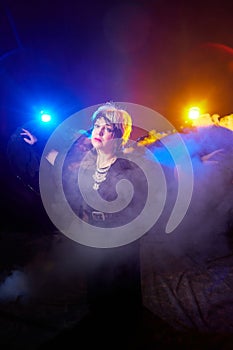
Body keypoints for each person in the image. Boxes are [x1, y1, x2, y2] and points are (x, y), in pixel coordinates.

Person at [21, 102, 149, 347]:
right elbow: (58, 163)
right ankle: (99, 327)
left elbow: (139, 206)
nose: (98, 132)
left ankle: (127, 333)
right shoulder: (86, 163)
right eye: (97, 126)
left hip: (120, 239)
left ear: (119, 135)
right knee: (97, 288)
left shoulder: (128, 167)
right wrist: (37, 146)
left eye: (107, 128)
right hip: (93, 235)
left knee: (121, 293)